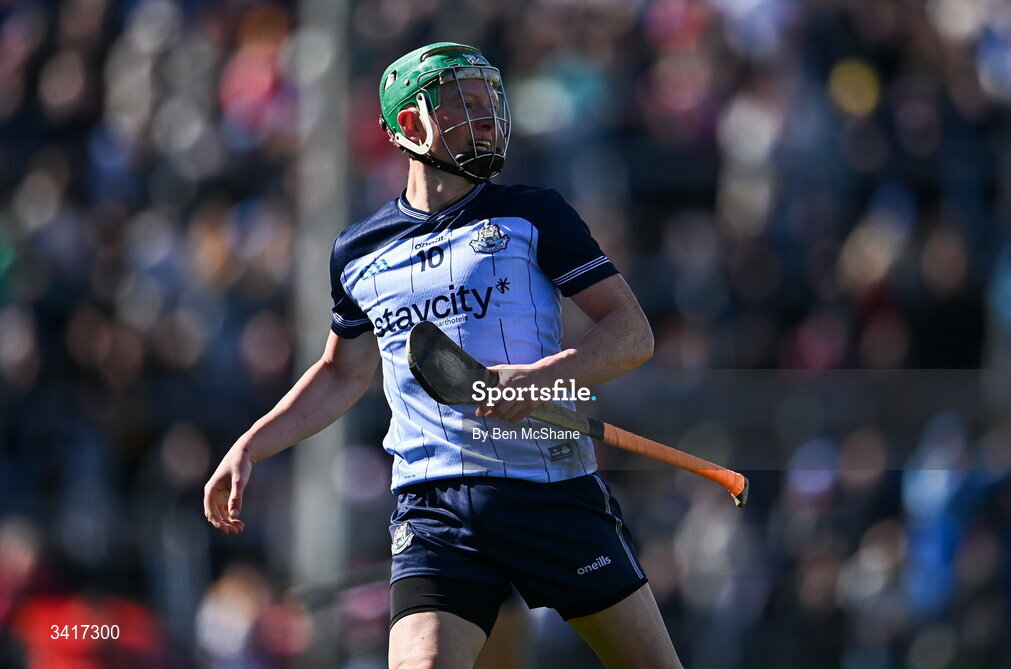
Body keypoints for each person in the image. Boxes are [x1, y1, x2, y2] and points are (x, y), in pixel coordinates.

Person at [204, 42, 681, 669]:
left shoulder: (532, 214)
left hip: (548, 490)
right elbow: (341, 372)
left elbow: (631, 333)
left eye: (490, 104)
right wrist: (250, 445)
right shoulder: (358, 251)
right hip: (433, 508)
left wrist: (540, 379)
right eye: (465, 105)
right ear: (410, 125)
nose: (486, 119)